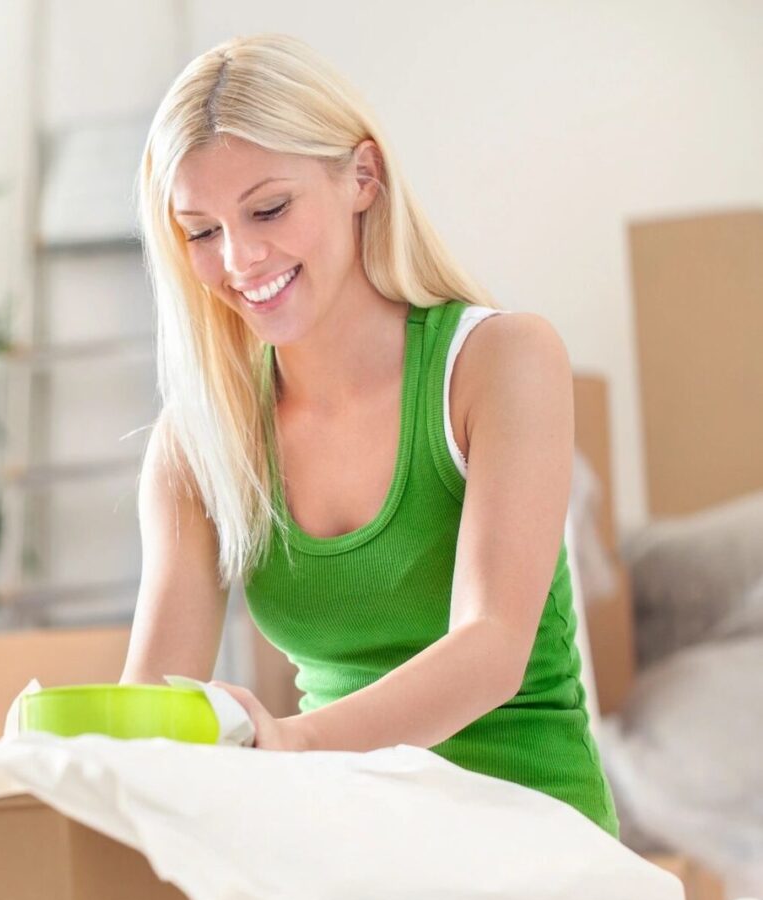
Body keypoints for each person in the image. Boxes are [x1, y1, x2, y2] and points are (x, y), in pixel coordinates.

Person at [122, 35, 617, 833]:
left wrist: (292, 744)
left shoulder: (500, 361)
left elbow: (491, 649)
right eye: (201, 231)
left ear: (361, 177)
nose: (240, 258)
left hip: (531, 837)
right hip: (347, 846)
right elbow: (151, 706)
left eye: (269, 208)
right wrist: (70, 750)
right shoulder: (197, 444)